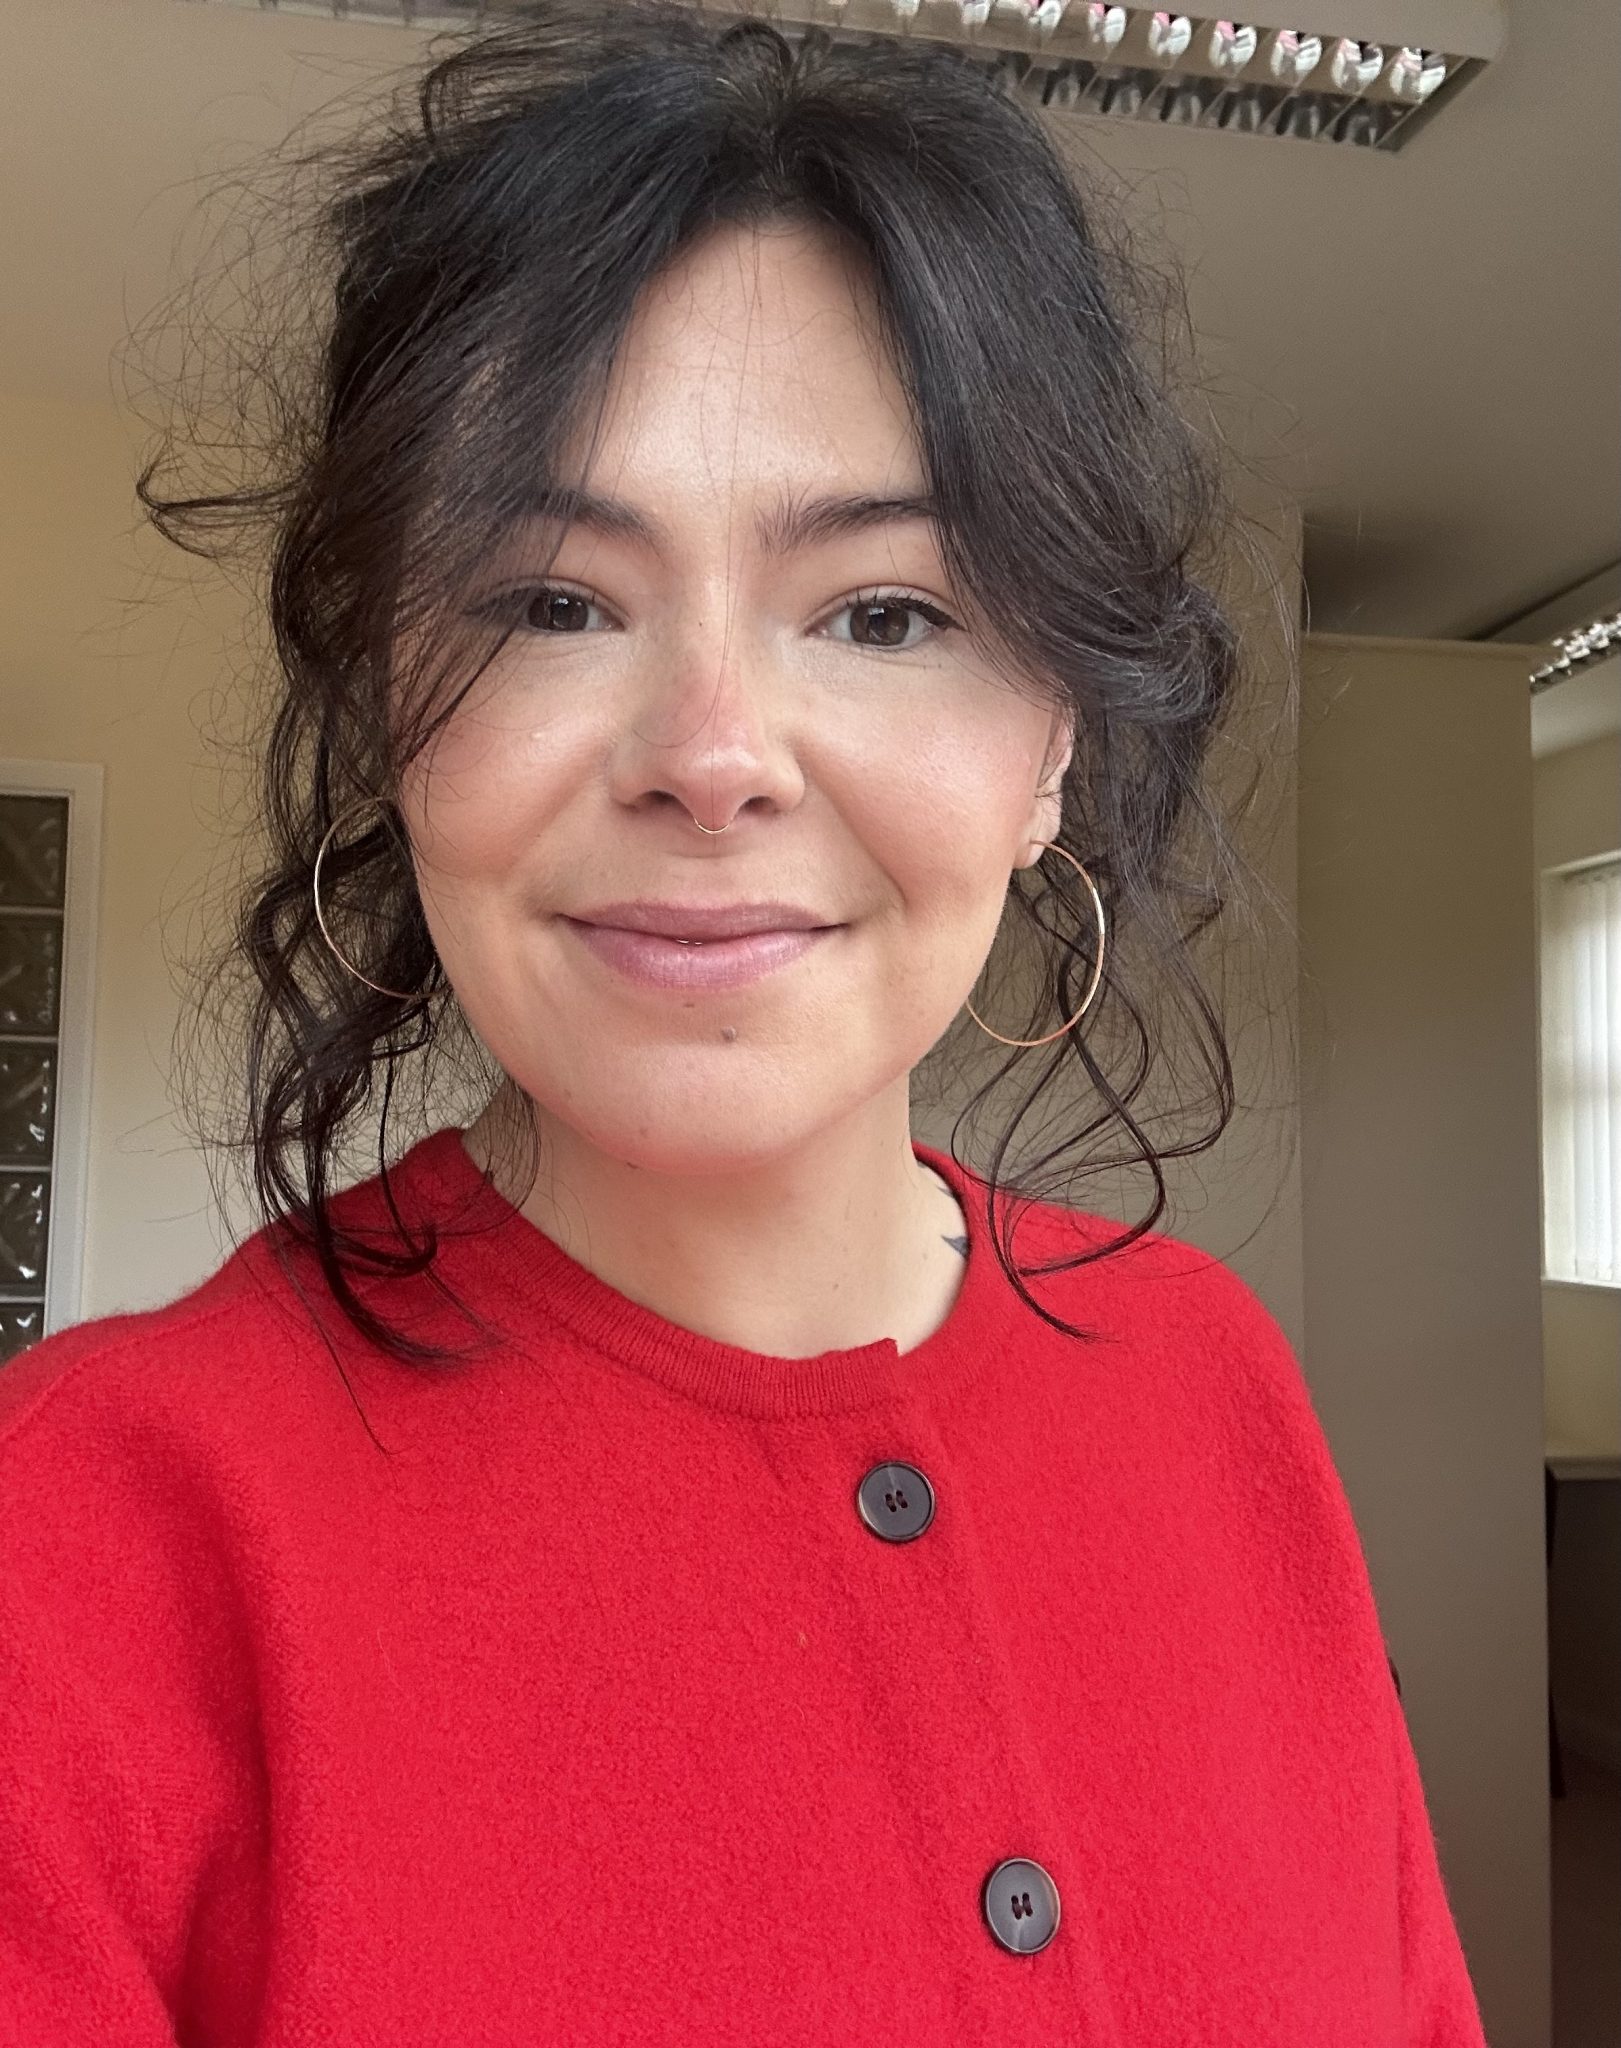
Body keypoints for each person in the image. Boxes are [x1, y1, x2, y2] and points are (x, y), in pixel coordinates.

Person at [0, 4, 1486, 2042]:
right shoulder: (88, 1534)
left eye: (885, 612)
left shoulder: (1212, 1385)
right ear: (383, 716)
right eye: (552, 602)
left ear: (1052, 742)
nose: (711, 758)